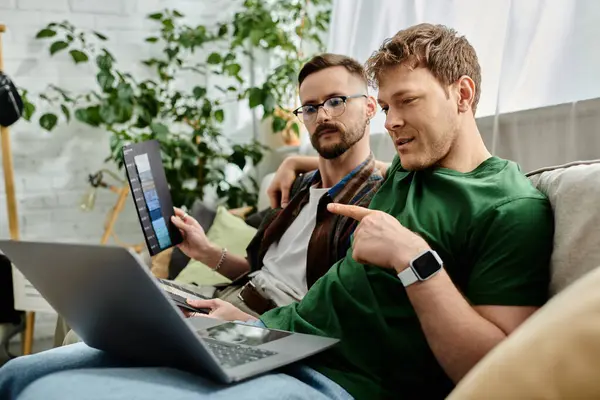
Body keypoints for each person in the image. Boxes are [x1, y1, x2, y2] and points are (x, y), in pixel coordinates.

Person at [0, 23, 554, 400]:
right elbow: (354, 157)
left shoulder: (511, 207)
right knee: (20, 372)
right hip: (268, 339)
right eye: (385, 107)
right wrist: (297, 161)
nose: (392, 123)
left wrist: (416, 262)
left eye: (407, 101)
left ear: (463, 94)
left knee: (59, 393)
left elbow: (498, 371)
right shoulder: (409, 169)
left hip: (336, 380)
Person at [168, 53, 384, 317]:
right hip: (224, 297)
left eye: (336, 101)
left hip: (268, 326)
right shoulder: (297, 187)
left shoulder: (374, 204)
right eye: (310, 108)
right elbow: (262, 275)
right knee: (129, 298)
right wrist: (204, 251)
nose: (323, 116)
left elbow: (335, 319)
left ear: (370, 107)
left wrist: (247, 324)